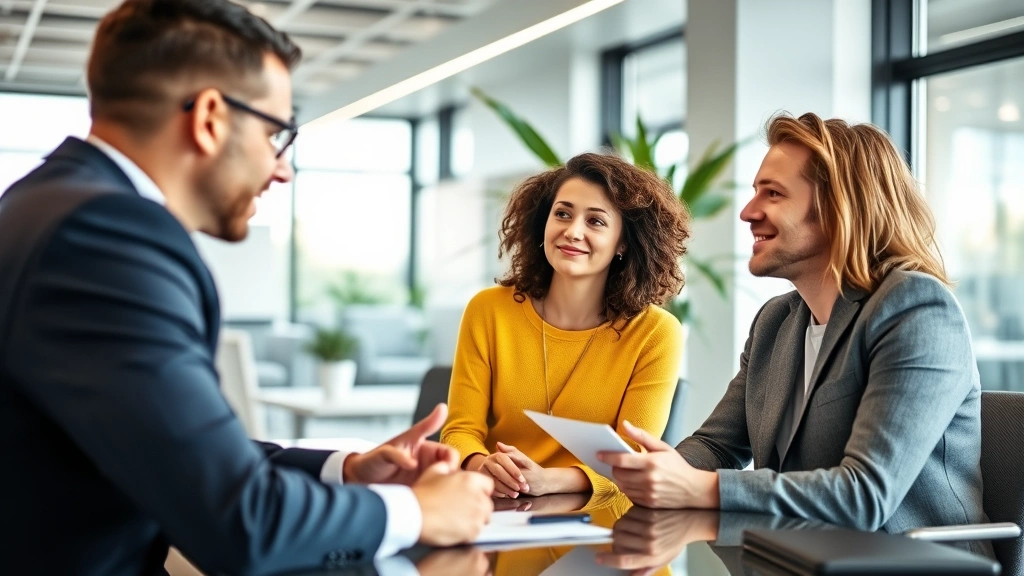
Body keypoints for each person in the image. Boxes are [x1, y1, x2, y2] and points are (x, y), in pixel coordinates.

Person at [0, 1, 492, 574]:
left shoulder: (40, 204)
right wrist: (411, 511)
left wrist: (348, 471)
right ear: (210, 118)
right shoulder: (108, 237)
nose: (282, 169)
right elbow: (239, 521)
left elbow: (174, 447)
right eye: (276, 134)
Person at [599, 112, 992, 557]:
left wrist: (702, 487)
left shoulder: (916, 309)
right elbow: (717, 445)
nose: (748, 213)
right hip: (798, 557)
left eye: (773, 193)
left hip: (913, 566)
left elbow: (865, 497)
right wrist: (657, 471)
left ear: (839, 206)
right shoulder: (777, 321)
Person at [442, 152, 691, 503]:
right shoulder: (488, 310)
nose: (572, 232)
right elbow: (460, 430)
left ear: (623, 243)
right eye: (562, 214)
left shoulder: (655, 332)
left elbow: (633, 455)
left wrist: (548, 480)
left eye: (596, 222)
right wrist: (482, 464)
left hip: (602, 524)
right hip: (494, 509)